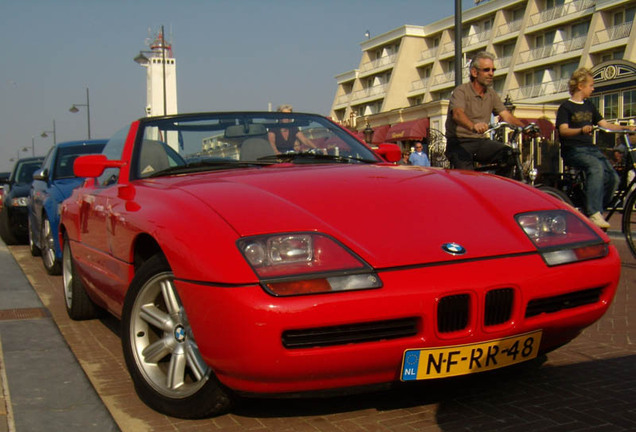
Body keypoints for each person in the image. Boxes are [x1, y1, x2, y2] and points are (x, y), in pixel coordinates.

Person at [556, 67, 635, 229]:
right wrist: (580, 129)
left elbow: (605, 124)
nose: (593, 88)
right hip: (573, 150)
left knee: (613, 178)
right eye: (591, 85)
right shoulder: (566, 107)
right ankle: (593, 213)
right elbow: (563, 130)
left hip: (590, 149)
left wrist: (625, 129)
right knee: (596, 167)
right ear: (580, 86)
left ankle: (596, 210)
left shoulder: (589, 106)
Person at [445, 51, 525, 175]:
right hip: (459, 142)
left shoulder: (491, 94)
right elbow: (457, 114)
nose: (491, 74)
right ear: (474, 72)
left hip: (480, 142)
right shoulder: (461, 91)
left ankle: (497, 189)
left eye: (493, 70)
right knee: (467, 177)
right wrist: (473, 126)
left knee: (509, 154)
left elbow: (505, 115)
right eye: (486, 70)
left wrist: (526, 128)